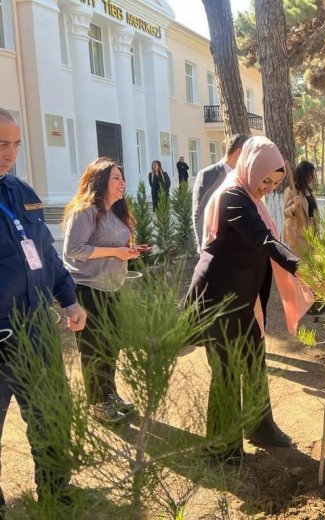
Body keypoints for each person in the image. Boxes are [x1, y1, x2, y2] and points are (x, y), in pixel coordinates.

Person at [186, 136, 312, 464]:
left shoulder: (248, 195)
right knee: (227, 369)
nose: (268, 188)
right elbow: (265, 239)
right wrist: (306, 269)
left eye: (275, 182)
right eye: (265, 180)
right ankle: (221, 447)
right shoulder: (232, 196)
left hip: (244, 297)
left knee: (254, 360)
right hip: (218, 298)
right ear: (250, 168)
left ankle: (260, 427)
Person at [0, 108, 87, 512]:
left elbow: (47, 254)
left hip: (36, 332)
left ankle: (54, 491)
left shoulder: (22, 192)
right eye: (2, 143)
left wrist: (68, 299)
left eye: (15, 144)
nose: (10, 153)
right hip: (1, 337)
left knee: (52, 416)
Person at [63, 158, 140, 424]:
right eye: (116, 178)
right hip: (87, 290)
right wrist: (115, 252)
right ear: (100, 181)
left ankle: (110, 395)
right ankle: (97, 402)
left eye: (122, 178)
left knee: (110, 346)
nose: (123, 183)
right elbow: (73, 250)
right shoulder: (84, 211)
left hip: (112, 288)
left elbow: (114, 248)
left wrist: (129, 251)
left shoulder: (117, 212)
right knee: (93, 349)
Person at [192, 134, 248, 251]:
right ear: (238, 153)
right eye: (248, 155)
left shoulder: (244, 177)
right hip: (214, 246)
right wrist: (204, 247)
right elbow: (199, 212)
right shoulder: (208, 174)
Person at [282, 161, 325, 315]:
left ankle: (313, 300)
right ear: (304, 174)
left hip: (311, 232)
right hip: (298, 235)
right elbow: (286, 213)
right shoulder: (290, 191)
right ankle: (305, 303)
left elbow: (313, 213)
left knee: (312, 267)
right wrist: (294, 205)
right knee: (303, 269)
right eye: (310, 174)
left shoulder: (308, 191)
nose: (312, 177)